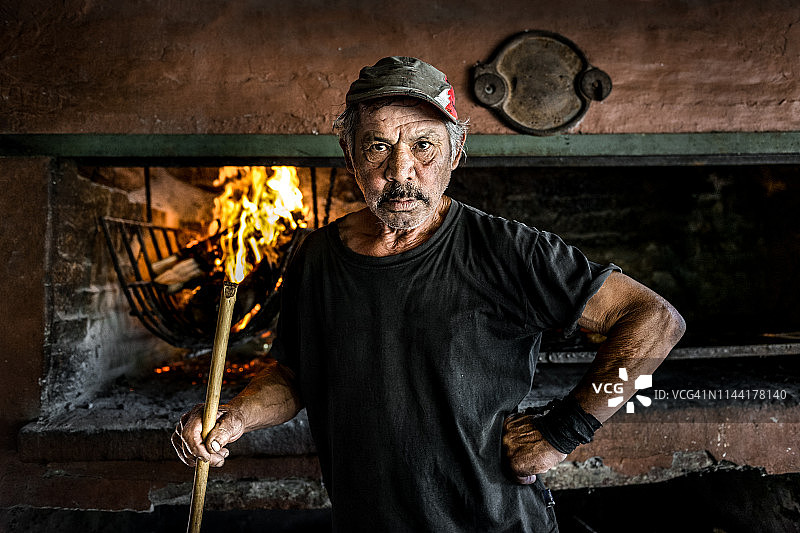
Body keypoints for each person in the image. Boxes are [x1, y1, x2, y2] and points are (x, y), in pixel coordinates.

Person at [173, 56, 685, 532]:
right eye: (378, 146)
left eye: (423, 145)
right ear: (350, 154)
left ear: (455, 151)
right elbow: (294, 376)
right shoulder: (317, 258)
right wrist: (234, 417)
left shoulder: (504, 250)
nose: (400, 172)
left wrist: (565, 430)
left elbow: (656, 321)